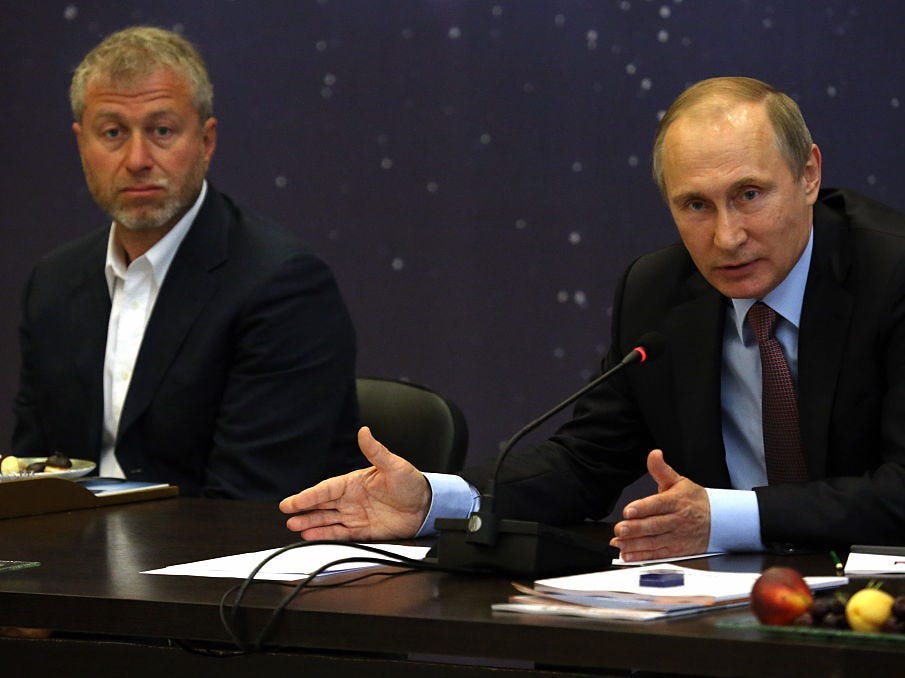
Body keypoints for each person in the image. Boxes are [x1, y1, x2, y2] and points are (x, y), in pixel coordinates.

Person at [280, 76, 905, 559]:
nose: (727, 236)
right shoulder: (658, 291)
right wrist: (435, 501)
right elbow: (584, 463)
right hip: (721, 616)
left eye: (749, 194)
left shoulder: (892, 274)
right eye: (694, 204)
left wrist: (725, 515)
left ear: (808, 175)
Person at [11, 26, 363, 499]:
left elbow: (250, 506)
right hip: (77, 564)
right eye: (113, 133)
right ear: (82, 145)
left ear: (206, 141)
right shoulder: (52, 283)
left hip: (222, 564)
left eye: (161, 131)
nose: (137, 159)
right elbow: (34, 482)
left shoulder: (281, 285)